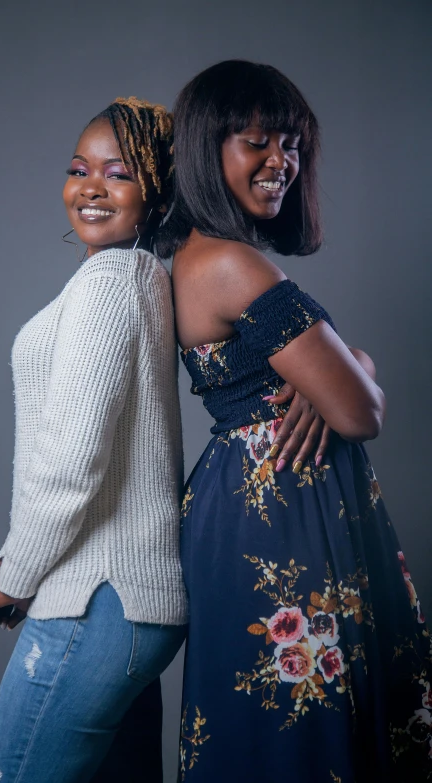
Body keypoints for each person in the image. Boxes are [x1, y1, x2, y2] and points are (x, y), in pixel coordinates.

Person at [159, 60, 432, 782]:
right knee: (300, 733)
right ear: (205, 150)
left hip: (253, 501)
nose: (282, 161)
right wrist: (345, 373)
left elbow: (341, 381)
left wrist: (340, 367)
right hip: (279, 509)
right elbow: (361, 410)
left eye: (292, 144)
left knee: (279, 727)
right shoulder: (231, 264)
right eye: (258, 142)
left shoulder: (195, 255)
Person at [0, 97, 187, 783]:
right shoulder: (140, 278)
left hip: (98, 598)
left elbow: (71, 459)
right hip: (122, 599)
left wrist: (15, 573)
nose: (90, 186)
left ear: (156, 192)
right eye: (78, 169)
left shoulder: (110, 284)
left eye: (117, 174)